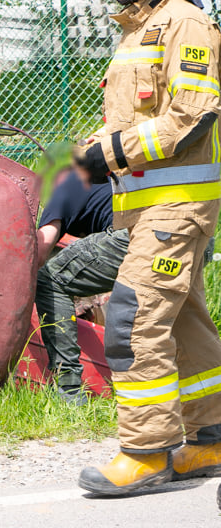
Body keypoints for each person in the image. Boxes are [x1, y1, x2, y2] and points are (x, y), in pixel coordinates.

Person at [73, 0, 221, 494]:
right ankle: (213, 439)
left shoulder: (183, 21)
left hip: (177, 209)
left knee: (131, 319)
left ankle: (147, 452)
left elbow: (192, 115)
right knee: (184, 322)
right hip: (150, 211)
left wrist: (111, 154)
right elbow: (133, 119)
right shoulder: (137, 29)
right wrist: (90, 152)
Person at [35, 169, 129, 406]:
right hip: (189, 235)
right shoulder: (108, 179)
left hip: (133, 235)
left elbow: (42, 248)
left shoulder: (65, 187)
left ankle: (69, 390)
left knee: (50, 280)